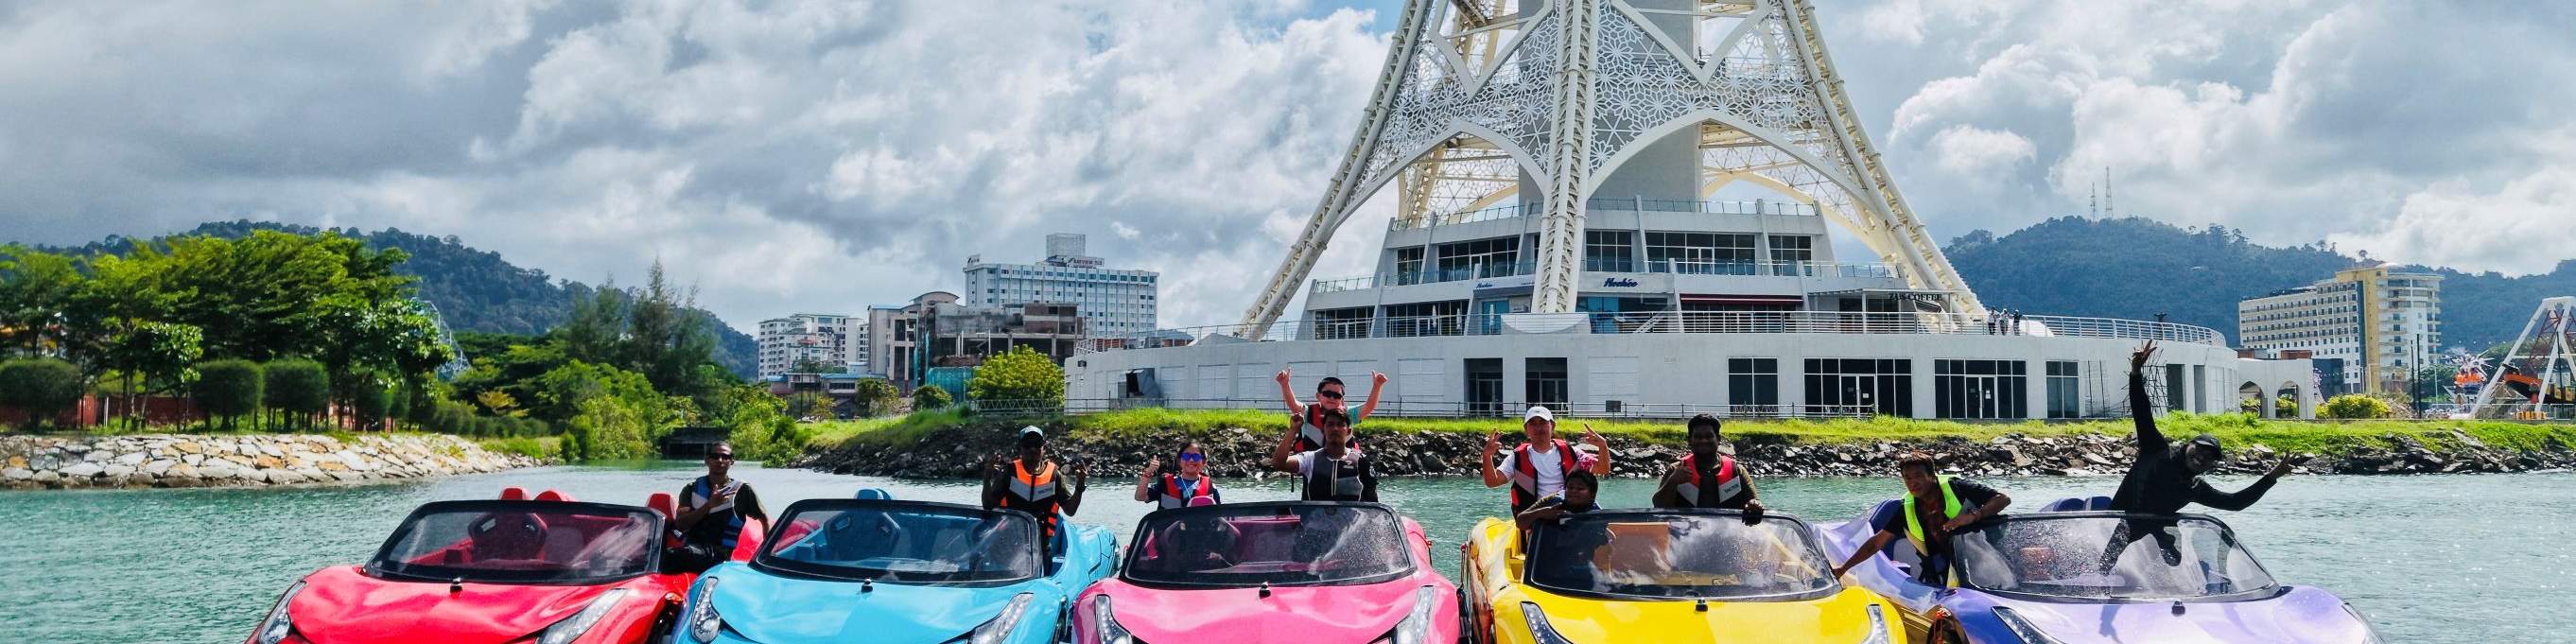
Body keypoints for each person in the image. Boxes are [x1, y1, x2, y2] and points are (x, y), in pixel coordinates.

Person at [2104, 341, 2305, 565]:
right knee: (2104, 563)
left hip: (2157, 533)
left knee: (2176, 562)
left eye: (2210, 457)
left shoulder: (2195, 488)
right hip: (2115, 523)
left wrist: (2272, 477)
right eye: (2199, 449)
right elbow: (2142, 412)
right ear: (2188, 445)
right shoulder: (2156, 450)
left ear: (2211, 465)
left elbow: (2235, 503)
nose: (2201, 457)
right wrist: (2135, 373)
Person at [1830, 453, 2011, 584]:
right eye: (1907, 478)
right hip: (1945, 567)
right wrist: (1843, 569)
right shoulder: (1906, 509)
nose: (1912, 483)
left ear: (1932, 476)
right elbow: (1876, 543)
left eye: (1918, 476)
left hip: (1987, 555)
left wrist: (1972, 517)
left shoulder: (1958, 488)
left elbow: (2003, 499)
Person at [1481, 406, 1611, 514]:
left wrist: (1603, 446)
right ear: (1526, 430)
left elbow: (1603, 469)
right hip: (1537, 519)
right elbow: (1492, 482)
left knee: (1594, 507)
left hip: (1570, 515)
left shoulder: (1572, 452)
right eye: (1533, 424)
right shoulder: (1517, 457)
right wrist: (1487, 456)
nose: (1539, 428)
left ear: (1552, 425)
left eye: (1543, 422)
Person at [983, 426, 1088, 555]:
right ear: (1020, 448)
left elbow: (1070, 510)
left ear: (1043, 447)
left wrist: (1080, 486)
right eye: (1027, 445)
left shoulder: (1054, 475)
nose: (1032, 449)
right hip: (1011, 546)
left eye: (1037, 445)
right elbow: (988, 505)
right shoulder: (1009, 472)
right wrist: (987, 477)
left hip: (1041, 548)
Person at [670, 442, 769, 573]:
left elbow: (764, 519)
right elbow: (680, 525)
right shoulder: (691, 488)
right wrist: (709, 505)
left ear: (731, 461)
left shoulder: (742, 490)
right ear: (707, 460)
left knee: (673, 556)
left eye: (725, 457)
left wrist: (765, 553)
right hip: (692, 548)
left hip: (719, 555)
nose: (720, 460)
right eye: (715, 456)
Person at [1652, 413, 1767, 523]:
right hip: (1686, 538)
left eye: (1708, 436)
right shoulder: (1675, 470)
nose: (1703, 441)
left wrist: (1755, 505)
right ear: (1689, 441)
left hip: (1729, 536)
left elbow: (1755, 502)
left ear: (1718, 439)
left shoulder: (1737, 470)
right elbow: (1659, 508)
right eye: (1698, 437)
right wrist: (1672, 482)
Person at [1269, 407, 1377, 502]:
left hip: (1351, 524)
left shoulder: (1361, 461)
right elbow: (1278, 463)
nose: (1335, 429)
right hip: (1315, 523)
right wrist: (1293, 430)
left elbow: (1373, 504)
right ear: (1323, 430)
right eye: (1330, 424)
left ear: (1348, 431)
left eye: (1340, 425)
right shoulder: (1310, 459)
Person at [1276, 368, 1387, 451]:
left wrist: (1377, 386)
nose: (1332, 398)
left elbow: (1369, 406)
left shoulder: (1348, 413)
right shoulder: (1308, 412)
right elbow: (1293, 404)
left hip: (1343, 467)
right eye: (1327, 394)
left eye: (1337, 395)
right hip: (1313, 468)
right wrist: (1285, 385)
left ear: (1342, 400)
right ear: (1318, 396)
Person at [1135, 442, 1221, 509]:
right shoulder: (1165, 483)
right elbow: (1140, 497)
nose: (1191, 460)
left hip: (1201, 530)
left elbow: (1218, 515)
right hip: (1169, 530)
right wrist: (1148, 473)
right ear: (1180, 461)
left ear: (1204, 462)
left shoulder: (1211, 487)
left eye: (1196, 457)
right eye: (1186, 456)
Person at [1515, 469, 1600, 531]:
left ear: (1592, 494)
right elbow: (1520, 523)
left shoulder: (1597, 511)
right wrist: (1540, 513)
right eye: (1570, 487)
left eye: (1580, 488)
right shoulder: (1551, 501)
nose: (1573, 491)